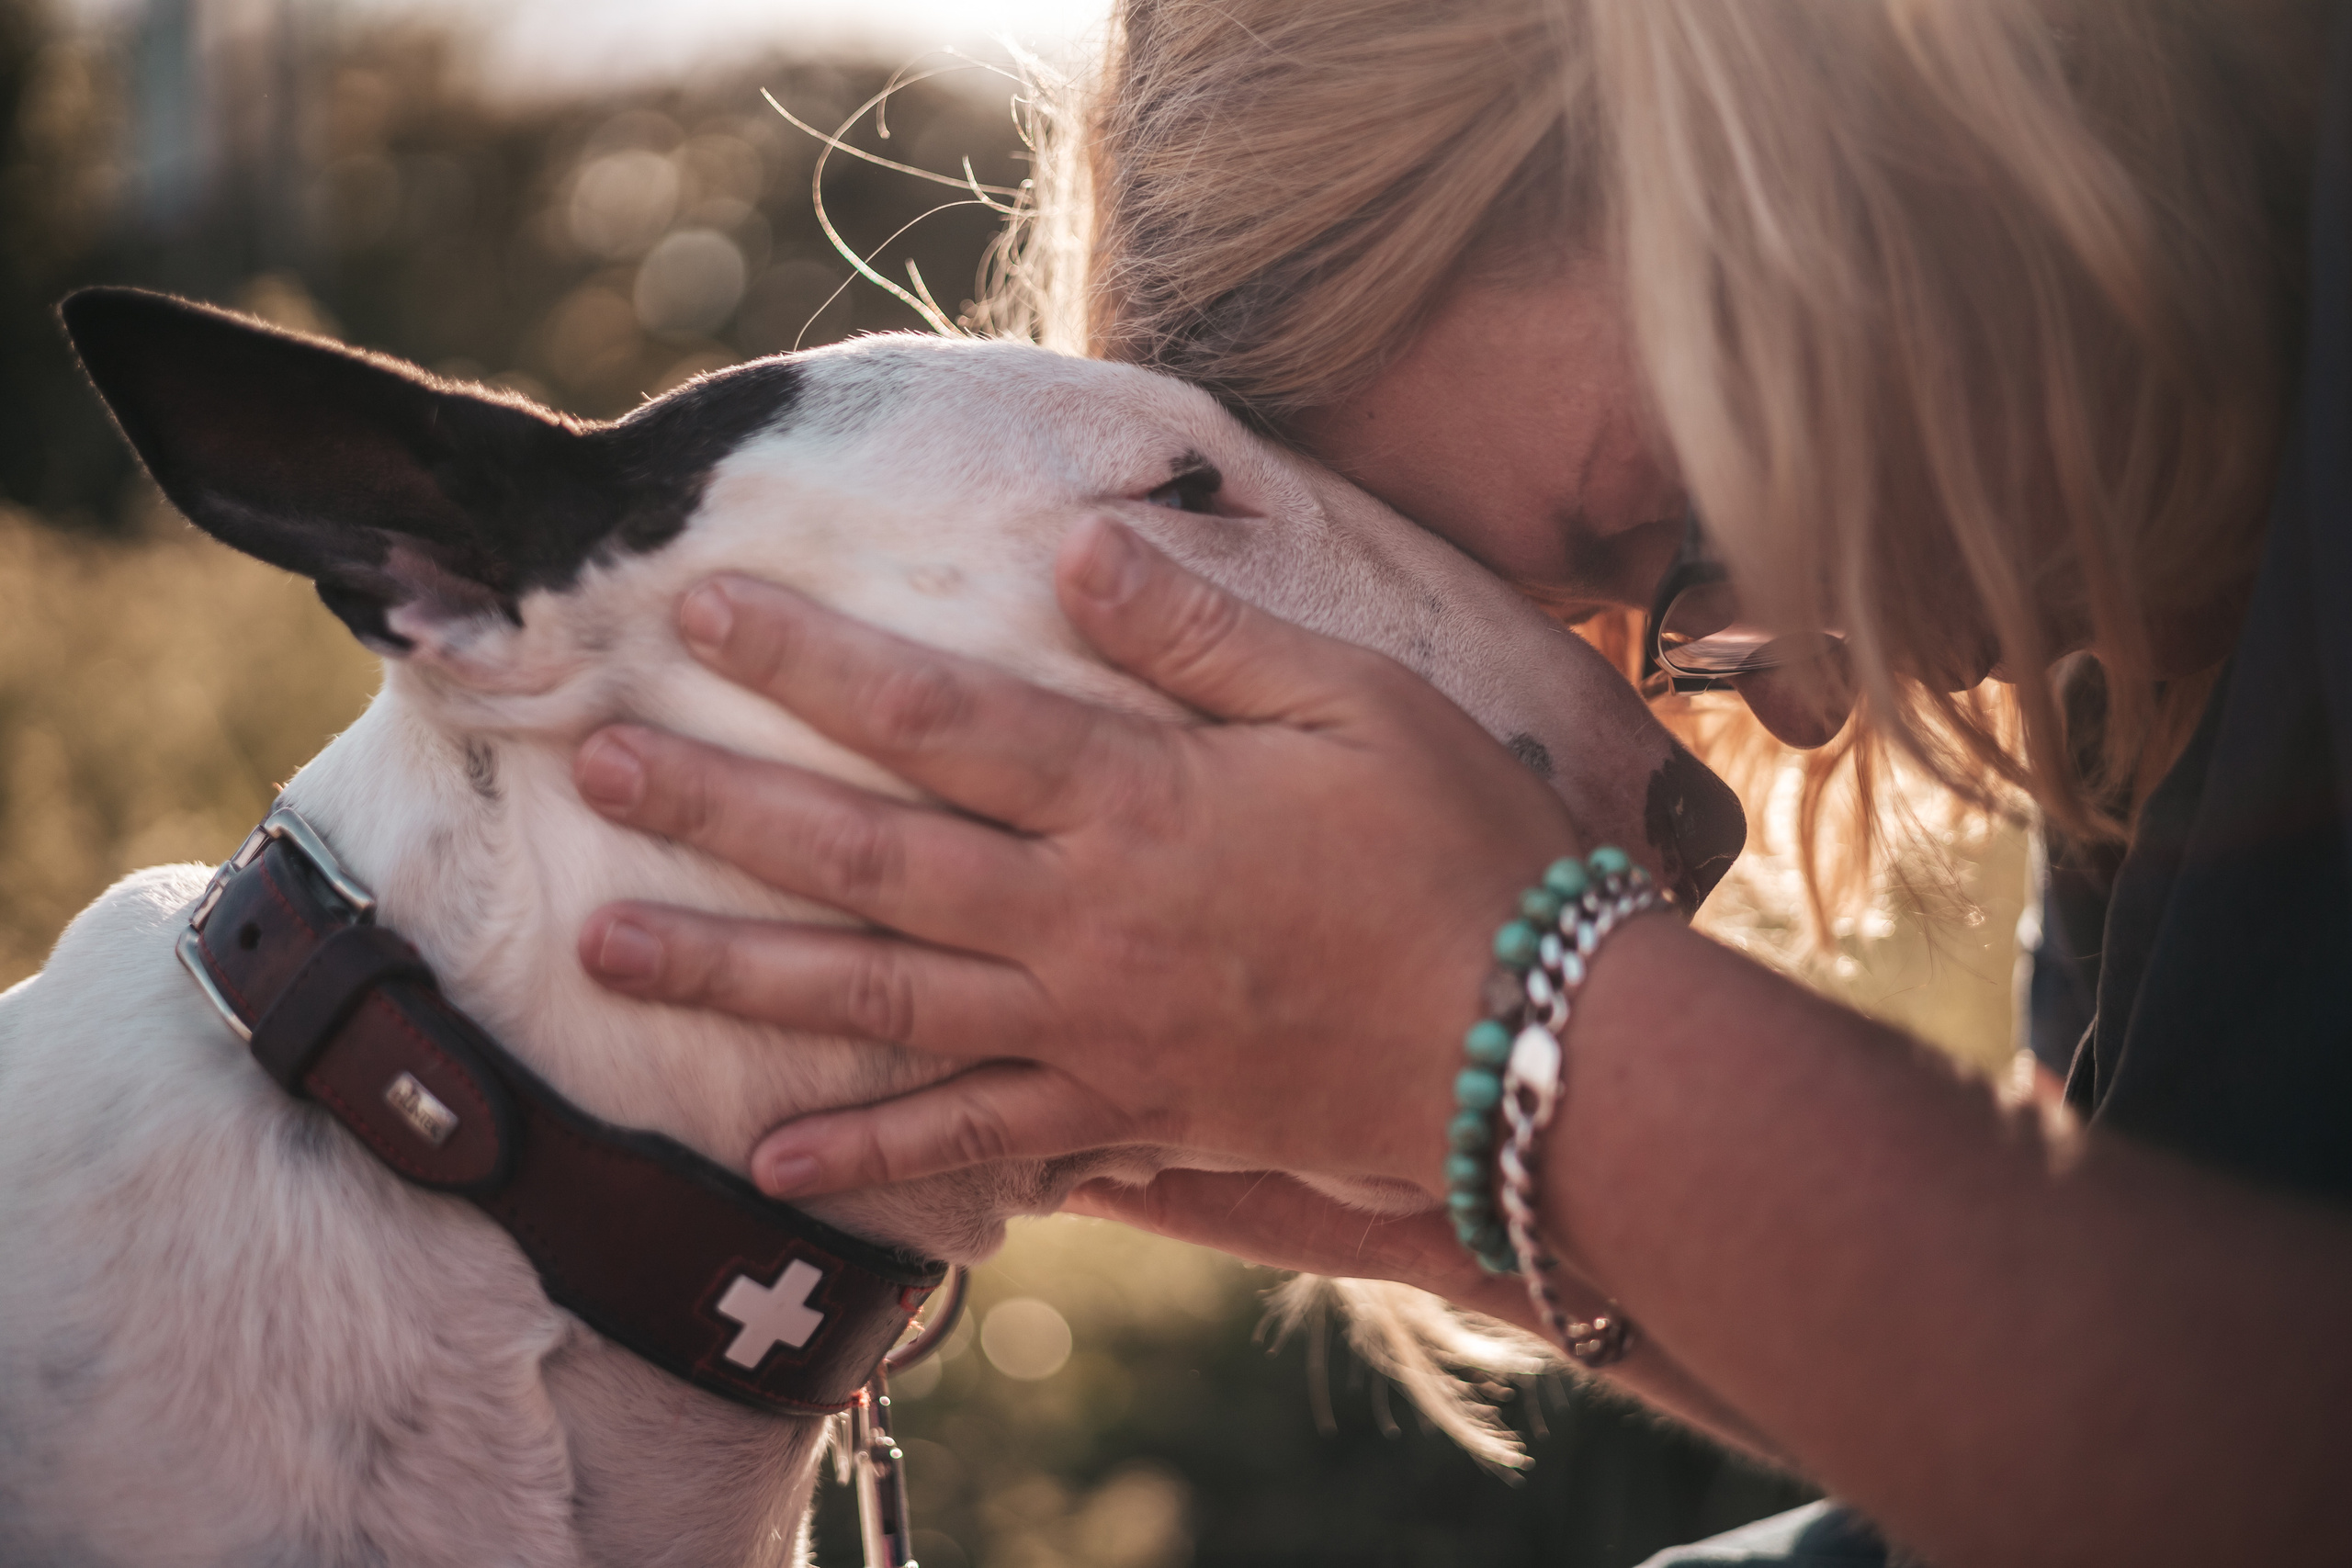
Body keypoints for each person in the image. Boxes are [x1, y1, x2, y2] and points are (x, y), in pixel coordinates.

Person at [563, 1, 2352, 1561]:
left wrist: (1513, 1018)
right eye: (1664, 620)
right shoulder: (2154, 664)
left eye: (1700, 519)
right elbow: (2080, 1412)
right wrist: (1478, 1198)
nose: (1802, 705)